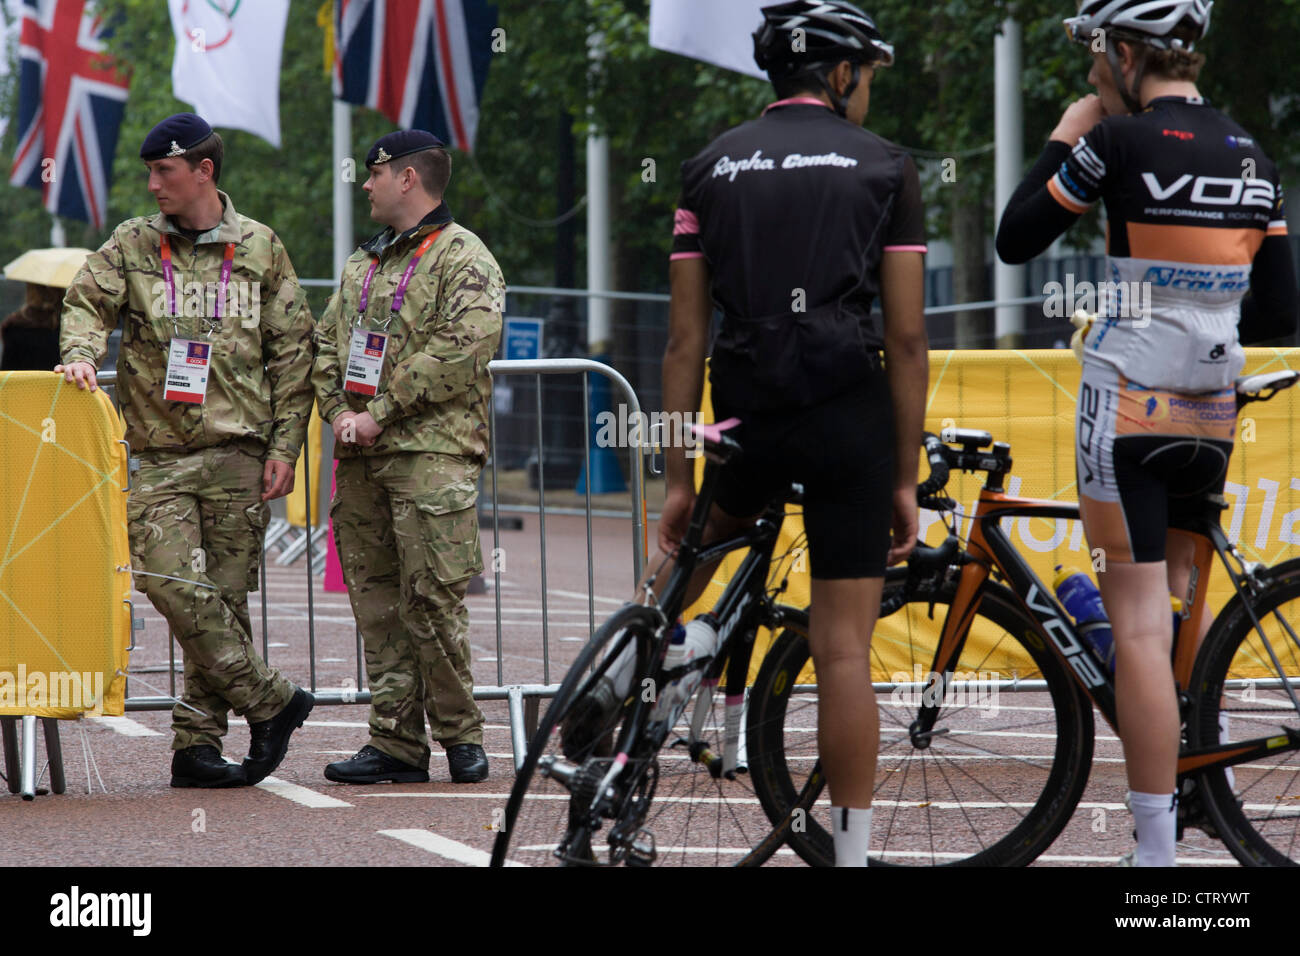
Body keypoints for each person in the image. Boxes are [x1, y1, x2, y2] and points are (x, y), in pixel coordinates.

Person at [996, 0, 1297, 865]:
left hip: (1126, 398)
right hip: (1210, 405)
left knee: (1134, 627)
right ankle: (1201, 789)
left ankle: (1158, 857)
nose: (1093, 73)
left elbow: (1018, 237)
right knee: (1181, 607)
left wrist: (1069, 130)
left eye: (1096, 57)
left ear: (1128, 54)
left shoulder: (1115, 139)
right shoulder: (1253, 152)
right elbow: (1278, 309)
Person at [657, 0, 929, 866]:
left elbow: (682, 342)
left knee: (683, 552)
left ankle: (635, 667)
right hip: (848, 418)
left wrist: (675, 477)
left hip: (746, 416)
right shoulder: (886, 166)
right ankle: (847, 858)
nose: (871, 90)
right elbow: (910, 337)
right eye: (870, 75)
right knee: (842, 648)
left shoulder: (709, 166)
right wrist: (904, 477)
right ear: (842, 73)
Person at [57, 113, 316, 789]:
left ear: (204, 170)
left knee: (224, 601)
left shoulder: (260, 247)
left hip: (240, 452)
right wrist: (82, 355)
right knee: (168, 581)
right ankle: (271, 701)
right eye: (149, 172)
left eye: (164, 171)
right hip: (163, 456)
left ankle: (196, 747)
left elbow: (294, 356)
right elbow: (86, 303)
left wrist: (286, 446)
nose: (153, 185)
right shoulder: (134, 243)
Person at [313, 130, 503, 786]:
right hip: (363, 460)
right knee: (378, 603)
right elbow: (324, 347)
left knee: (432, 601)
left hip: (432, 456)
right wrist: (336, 411)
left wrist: (379, 412)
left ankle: (461, 735)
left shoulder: (463, 257)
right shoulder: (361, 266)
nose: (365, 184)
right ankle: (394, 739)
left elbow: (465, 347)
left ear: (408, 179)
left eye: (375, 173)